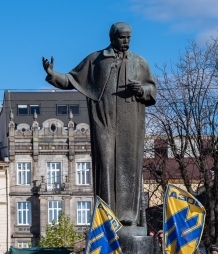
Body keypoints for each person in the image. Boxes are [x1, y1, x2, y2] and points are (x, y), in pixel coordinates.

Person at [42, 22, 156, 226]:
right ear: (112, 38)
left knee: (129, 165)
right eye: (122, 37)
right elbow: (71, 79)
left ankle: (128, 213)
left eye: (129, 37)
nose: (126, 41)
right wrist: (52, 74)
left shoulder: (139, 62)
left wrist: (141, 90)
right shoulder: (97, 60)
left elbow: (152, 89)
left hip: (130, 123)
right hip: (104, 120)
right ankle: (106, 214)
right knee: (105, 162)